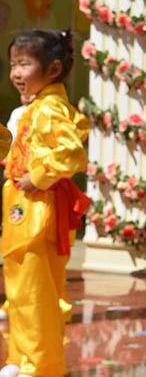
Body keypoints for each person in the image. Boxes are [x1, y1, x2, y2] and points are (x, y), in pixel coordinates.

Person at [1, 30, 90, 377]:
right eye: (13, 64)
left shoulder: (50, 108)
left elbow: (72, 153)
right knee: (21, 289)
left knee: (36, 291)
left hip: (39, 206)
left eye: (24, 64)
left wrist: (37, 177)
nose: (16, 73)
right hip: (23, 205)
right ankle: (21, 357)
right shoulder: (35, 108)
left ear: (53, 69)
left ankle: (40, 364)